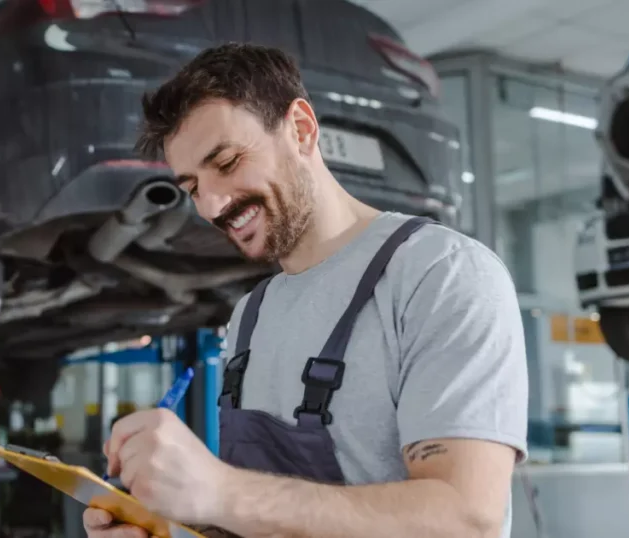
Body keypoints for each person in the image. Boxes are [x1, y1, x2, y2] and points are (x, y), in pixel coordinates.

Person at [84, 42, 528, 538]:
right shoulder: (254, 313)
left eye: (227, 163)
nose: (211, 206)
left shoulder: (440, 274)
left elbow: (466, 519)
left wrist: (223, 491)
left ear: (300, 129)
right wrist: (176, 527)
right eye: (191, 188)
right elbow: (271, 515)